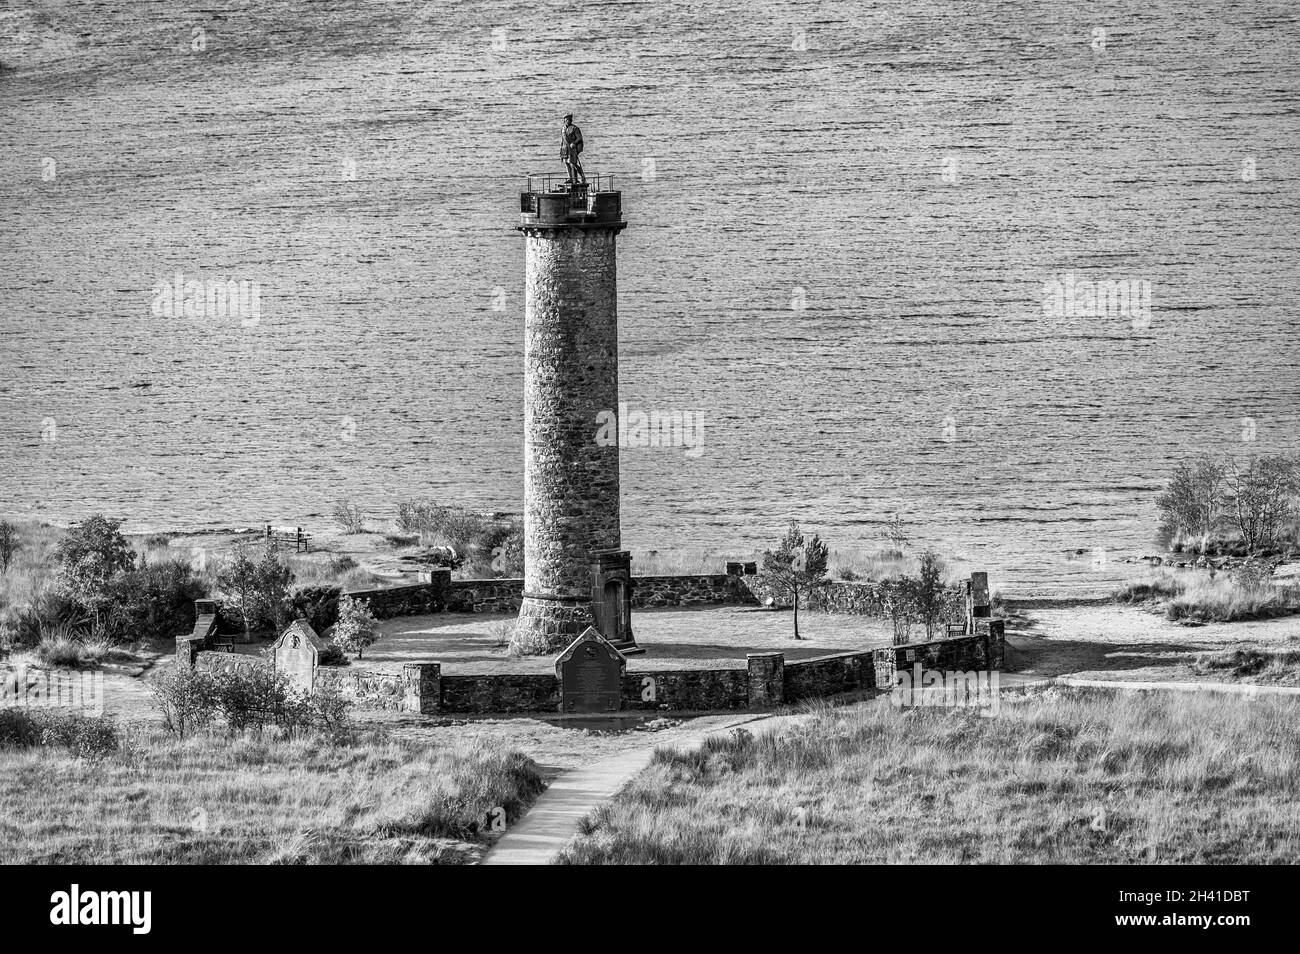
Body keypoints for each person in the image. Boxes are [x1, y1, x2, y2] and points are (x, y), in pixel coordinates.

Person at [560, 114, 586, 185]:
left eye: (568, 119)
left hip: (573, 148)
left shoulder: (575, 128)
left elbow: (579, 138)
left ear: (570, 120)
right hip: (565, 148)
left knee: (573, 163)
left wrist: (574, 143)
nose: (567, 121)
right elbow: (563, 139)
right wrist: (561, 148)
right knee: (566, 163)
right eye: (566, 119)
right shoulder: (563, 128)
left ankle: (582, 177)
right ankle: (570, 178)